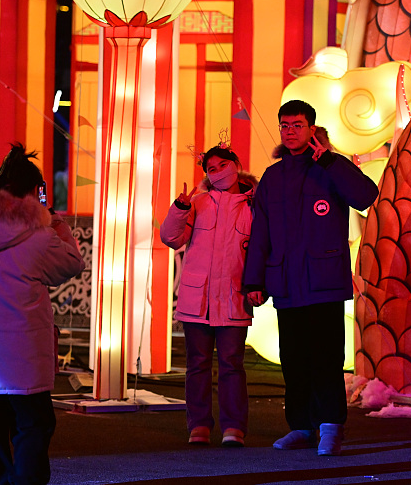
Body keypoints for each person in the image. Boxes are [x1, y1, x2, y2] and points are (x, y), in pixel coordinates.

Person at [242, 99, 379, 456]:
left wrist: (331, 161)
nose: (290, 132)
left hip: (323, 282)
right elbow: (261, 233)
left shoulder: (330, 166)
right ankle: (301, 427)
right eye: (284, 125)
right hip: (287, 283)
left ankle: (331, 426)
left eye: (297, 125)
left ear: (312, 129)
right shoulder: (273, 177)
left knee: (326, 359)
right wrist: (254, 281)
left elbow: (366, 196)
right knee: (294, 361)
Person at [0, 144, 83, 485]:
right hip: (24, 353)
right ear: (35, 192)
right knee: (33, 425)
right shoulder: (40, 236)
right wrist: (54, 220)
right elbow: (72, 263)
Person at [160, 142, 255, 448]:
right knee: (197, 364)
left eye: (222, 165)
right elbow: (171, 238)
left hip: (233, 297)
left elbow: (261, 249)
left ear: (235, 163)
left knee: (232, 365)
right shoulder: (198, 202)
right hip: (196, 299)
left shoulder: (254, 204)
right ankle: (198, 424)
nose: (218, 172)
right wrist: (180, 208)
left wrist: (259, 286)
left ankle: (234, 427)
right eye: (211, 169)